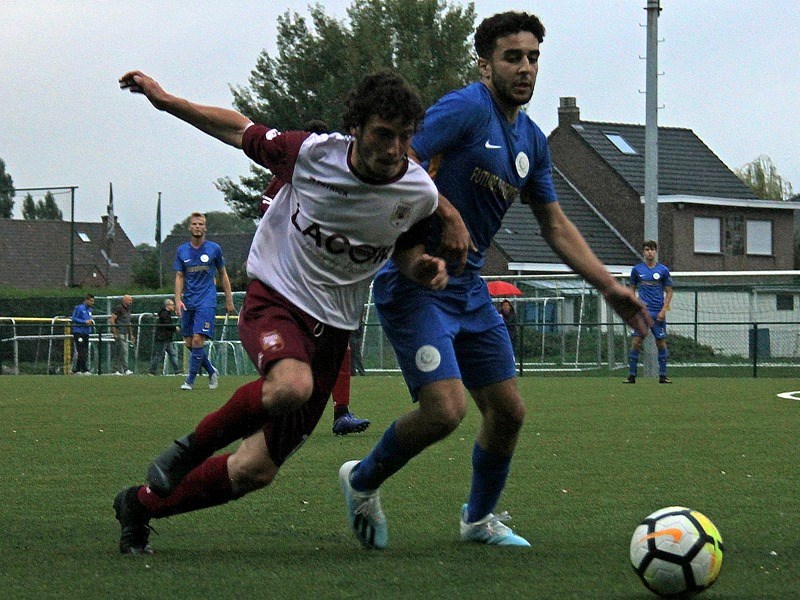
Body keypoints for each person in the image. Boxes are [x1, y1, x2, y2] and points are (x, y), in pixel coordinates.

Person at [339, 10, 651, 550]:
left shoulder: (531, 138)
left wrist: (610, 286)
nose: (526, 68)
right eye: (513, 57)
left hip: (470, 288)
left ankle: (478, 520)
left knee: (508, 412)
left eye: (533, 58)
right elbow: (401, 158)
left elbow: (554, 224)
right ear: (485, 65)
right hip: (417, 280)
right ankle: (361, 480)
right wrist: (446, 214)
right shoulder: (466, 108)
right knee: (446, 411)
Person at [113, 67, 446, 555]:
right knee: (291, 386)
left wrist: (421, 268)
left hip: (333, 329)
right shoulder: (311, 154)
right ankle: (189, 450)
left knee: (255, 470)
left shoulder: (418, 194)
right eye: (382, 134)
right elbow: (236, 128)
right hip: (277, 298)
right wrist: (166, 101)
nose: (394, 149)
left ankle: (140, 505)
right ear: (356, 127)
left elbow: (407, 251)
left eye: (404, 137)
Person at [261, 118, 371, 437]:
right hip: (292, 279)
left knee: (340, 345)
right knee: (298, 351)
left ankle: (341, 412)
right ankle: (279, 408)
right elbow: (266, 209)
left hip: (327, 280)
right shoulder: (290, 176)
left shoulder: (340, 183)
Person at [174, 212, 235, 390]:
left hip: (207, 300)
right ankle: (211, 370)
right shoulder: (182, 250)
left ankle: (190, 381)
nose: (198, 227)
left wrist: (229, 299)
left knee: (198, 340)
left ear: (205, 227)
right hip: (189, 301)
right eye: (194, 224)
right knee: (188, 342)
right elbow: (179, 276)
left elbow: (223, 274)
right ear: (190, 227)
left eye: (201, 224)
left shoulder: (214, 249)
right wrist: (177, 300)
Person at [624, 240, 674, 384]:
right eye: (647, 250)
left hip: (658, 313)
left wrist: (664, 310)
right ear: (643, 252)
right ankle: (632, 376)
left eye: (652, 250)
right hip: (642, 313)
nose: (649, 252)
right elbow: (631, 288)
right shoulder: (637, 270)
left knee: (661, 343)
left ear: (656, 252)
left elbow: (669, 292)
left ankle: (663, 376)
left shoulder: (663, 270)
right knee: (636, 343)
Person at [148, 298, 181, 375]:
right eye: (172, 305)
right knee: (159, 354)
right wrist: (174, 328)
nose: (173, 306)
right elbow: (167, 325)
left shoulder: (166, 314)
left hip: (167, 338)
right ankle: (152, 371)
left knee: (172, 354)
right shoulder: (164, 314)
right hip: (162, 338)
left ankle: (177, 370)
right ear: (167, 305)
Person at [110, 294, 136, 375]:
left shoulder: (128, 310)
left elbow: (128, 322)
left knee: (121, 351)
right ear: (124, 300)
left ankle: (117, 369)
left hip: (125, 333)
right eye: (129, 300)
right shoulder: (119, 308)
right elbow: (112, 319)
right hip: (120, 332)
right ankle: (124, 369)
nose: (131, 302)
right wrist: (114, 332)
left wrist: (131, 334)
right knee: (122, 351)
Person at [70, 293, 95, 375]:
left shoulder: (90, 310)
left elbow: (88, 318)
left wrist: (90, 322)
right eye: (91, 301)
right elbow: (74, 318)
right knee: (81, 350)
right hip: (78, 332)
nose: (92, 303)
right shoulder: (79, 308)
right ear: (86, 300)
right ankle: (83, 369)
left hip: (86, 332)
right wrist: (84, 322)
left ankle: (77, 369)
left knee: (85, 350)